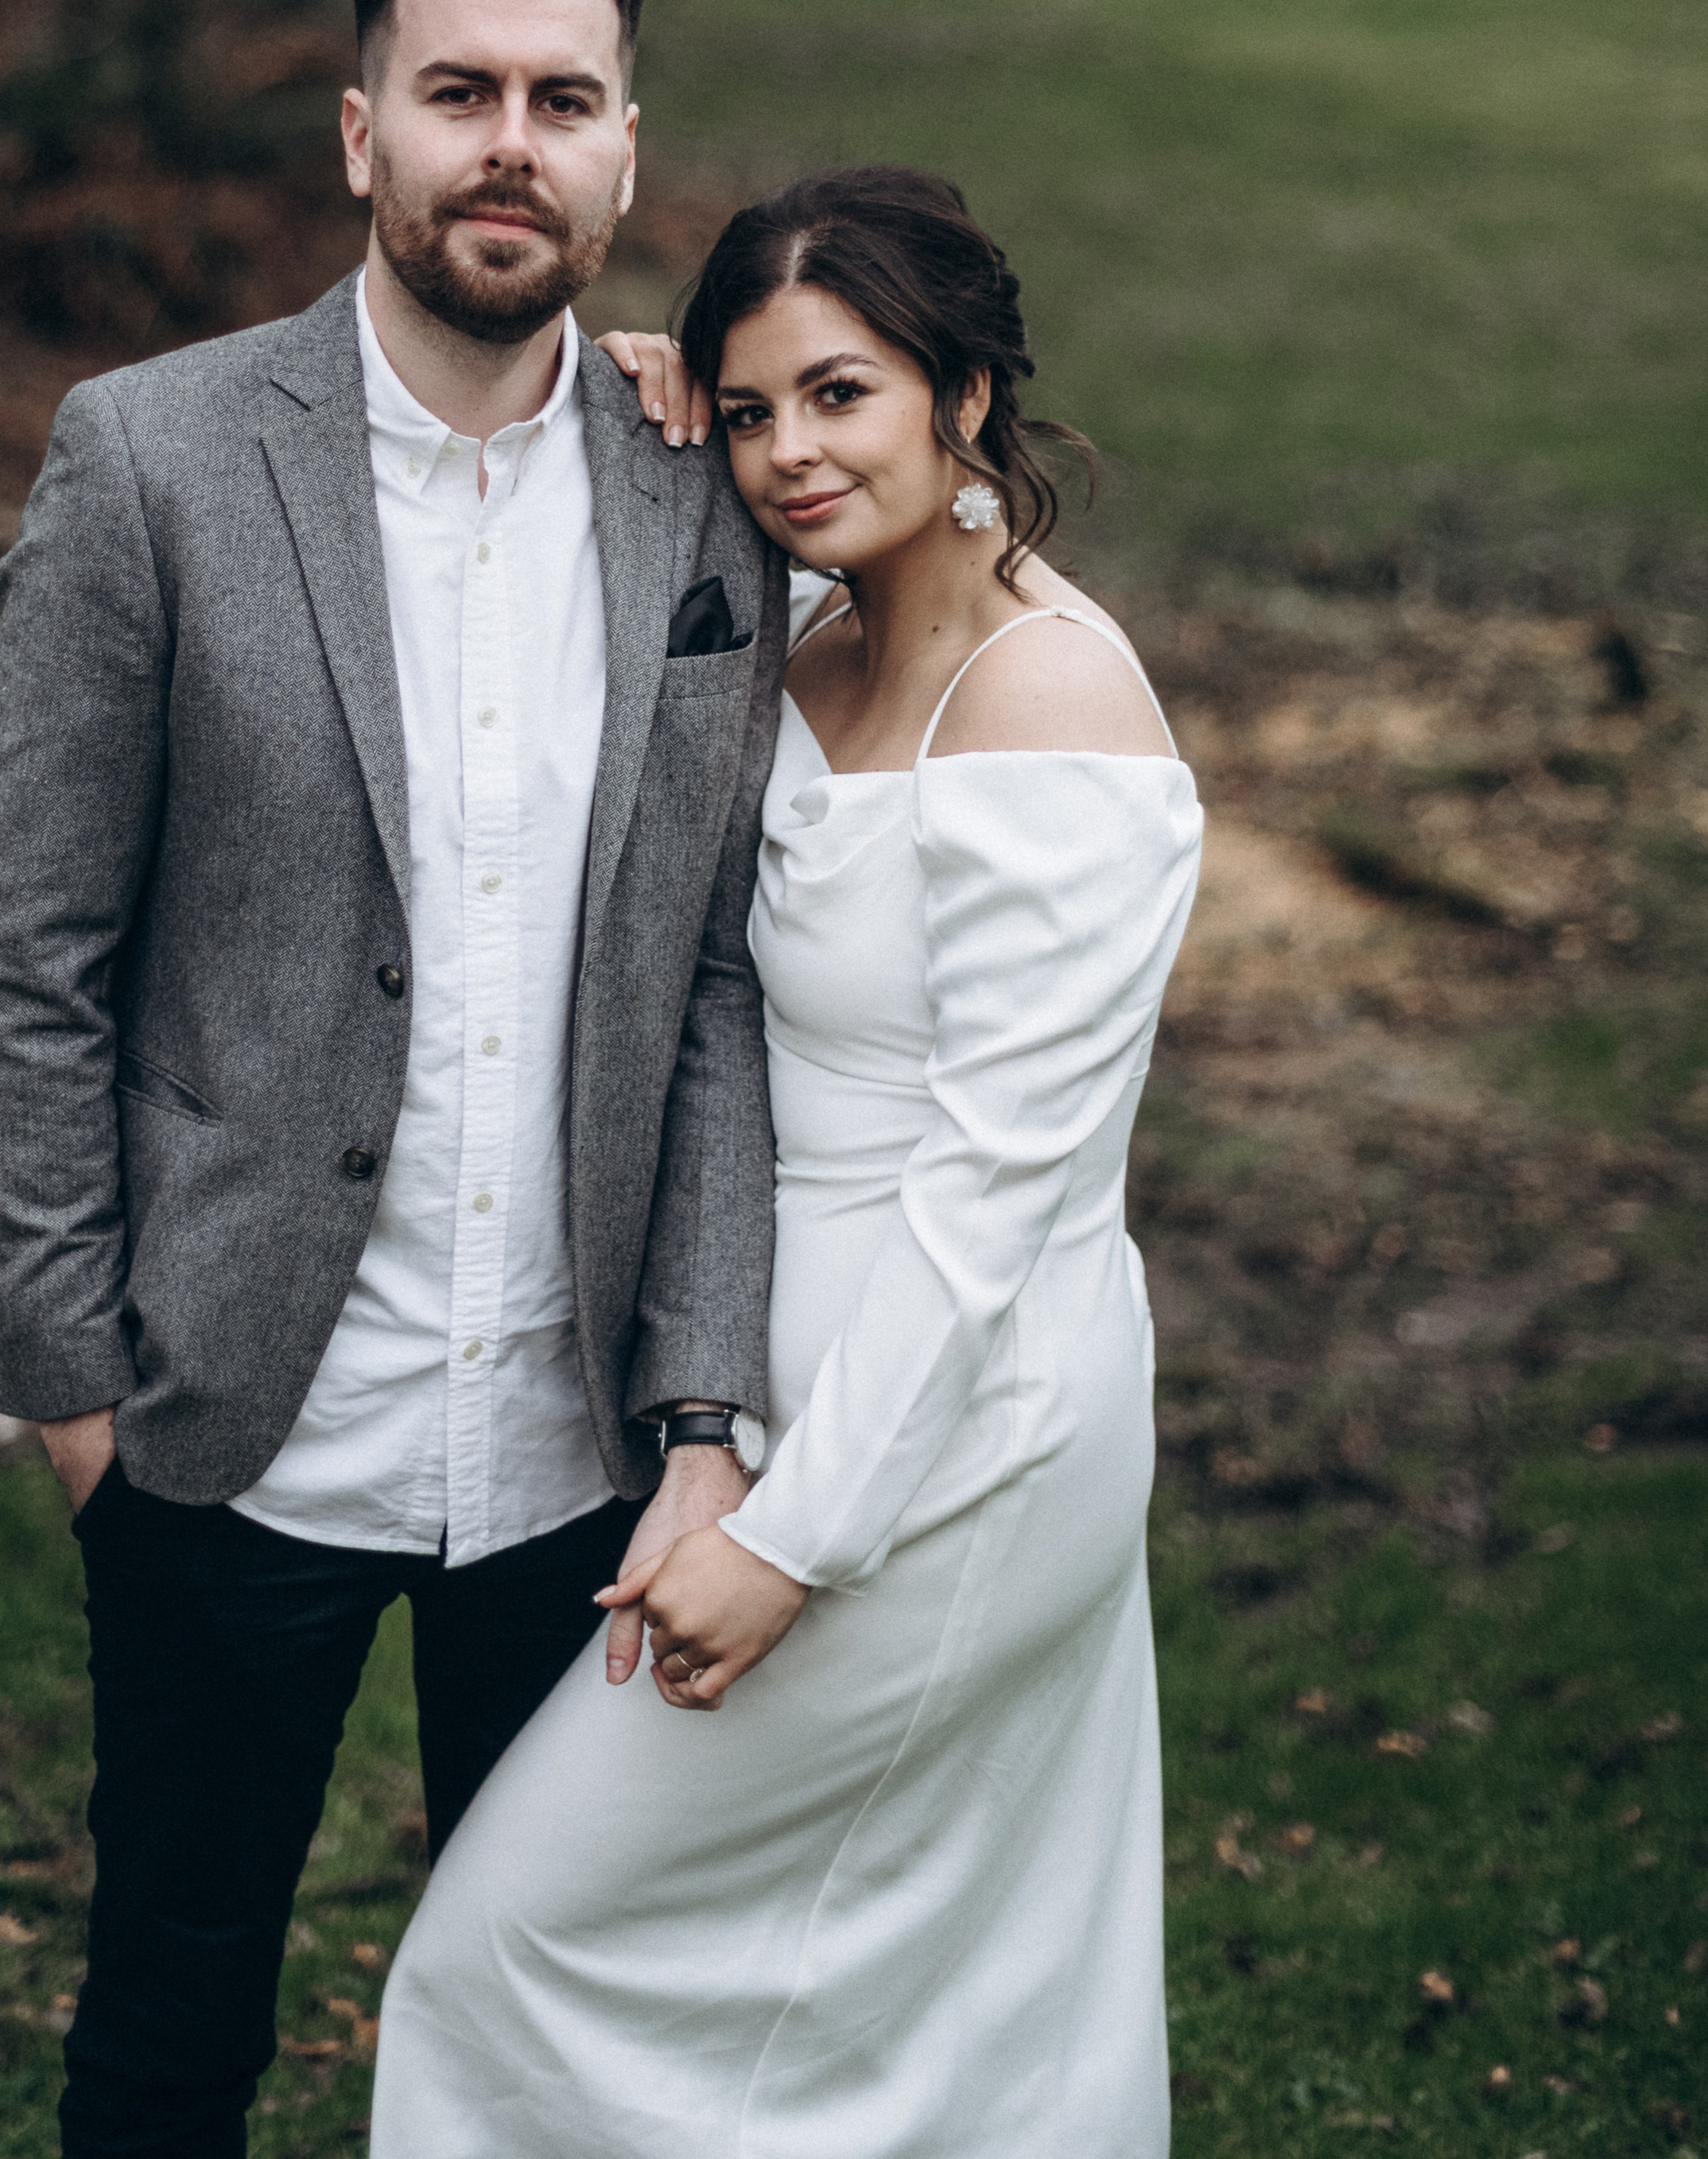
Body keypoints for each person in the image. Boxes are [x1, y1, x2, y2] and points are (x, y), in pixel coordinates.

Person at [0, 0, 790, 2159]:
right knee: (172, 2017)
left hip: (576, 1458)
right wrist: (73, 1384)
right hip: (226, 1426)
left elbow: (707, 975)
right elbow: (30, 955)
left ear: (626, 151)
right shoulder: (151, 462)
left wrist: (707, 1401)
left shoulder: (714, 493)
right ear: (360, 135)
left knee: (559, 2047)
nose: (508, 143)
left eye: (561, 100)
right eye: (459, 94)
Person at [372, 164, 1205, 2159]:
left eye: (841, 395)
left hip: (956, 1422)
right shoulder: (807, 634)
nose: (787, 453)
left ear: (963, 398)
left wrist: (791, 1532)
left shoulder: (1053, 697)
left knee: (511, 1942)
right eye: (746, 411)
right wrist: (628, 392)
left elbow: (997, 1202)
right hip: (773, 1377)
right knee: (874, 1983)